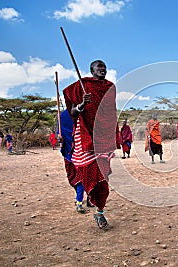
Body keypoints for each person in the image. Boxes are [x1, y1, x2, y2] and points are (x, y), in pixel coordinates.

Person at [63, 60, 117, 230]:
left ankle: (99, 211)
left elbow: (111, 112)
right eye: (99, 68)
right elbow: (72, 112)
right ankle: (89, 194)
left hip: (104, 139)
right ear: (91, 70)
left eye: (105, 68)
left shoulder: (110, 87)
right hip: (87, 137)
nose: (103, 71)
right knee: (87, 171)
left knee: (103, 179)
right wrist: (81, 105)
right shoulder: (82, 86)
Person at [59, 110, 89, 213]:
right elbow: (60, 133)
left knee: (81, 178)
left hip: (79, 152)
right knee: (78, 178)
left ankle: (79, 201)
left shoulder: (83, 113)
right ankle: (82, 198)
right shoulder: (63, 115)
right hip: (72, 152)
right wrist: (61, 140)